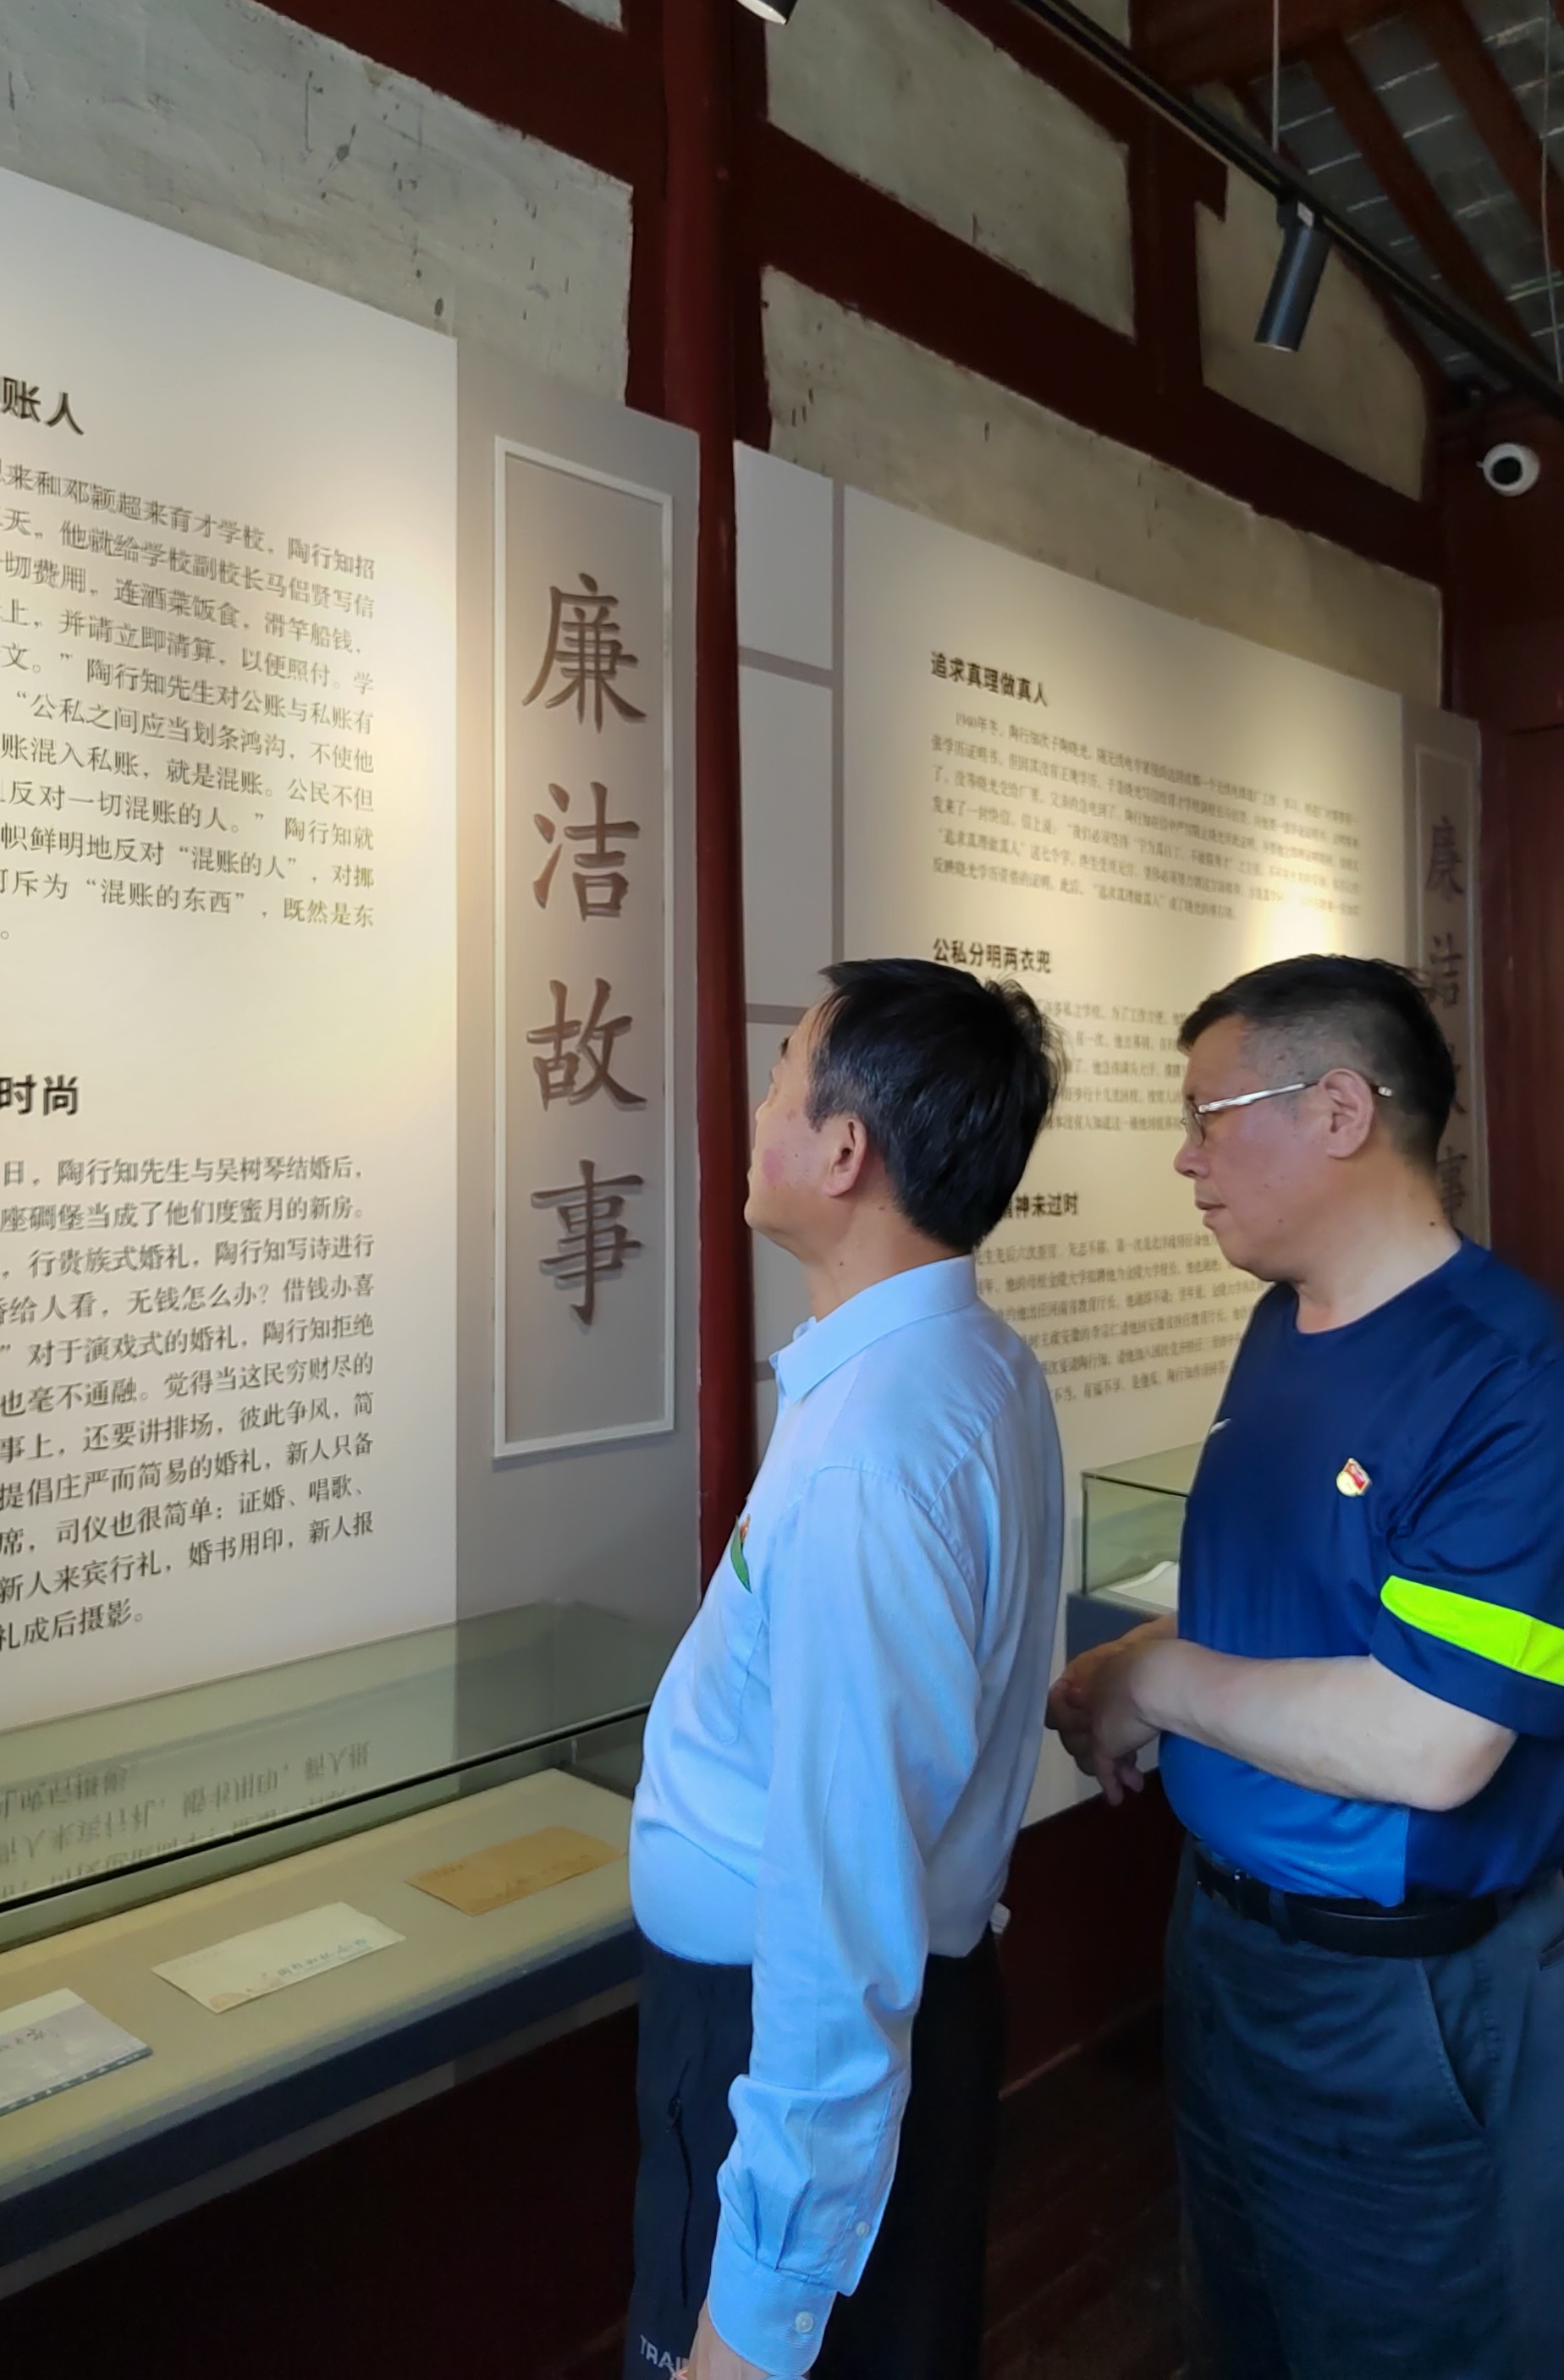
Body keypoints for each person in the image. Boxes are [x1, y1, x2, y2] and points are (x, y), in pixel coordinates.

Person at [1052, 954, 1564, 2376]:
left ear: (1339, 1110)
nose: (1185, 1156)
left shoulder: (1509, 1376)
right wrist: (1141, 1661)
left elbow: (1432, 1739)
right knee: (1246, 2322)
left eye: (1208, 1116)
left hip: (1399, 2001)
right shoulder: (1282, 1324)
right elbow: (1293, 1620)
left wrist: (1151, 1683)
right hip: (1224, 1945)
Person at [625, 959, 1064, 2380]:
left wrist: (755, 2316)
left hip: (783, 2037)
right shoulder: (966, 1365)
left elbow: (837, 1919)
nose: (757, 1114)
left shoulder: (871, 1456)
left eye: (779, 1083)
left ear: (843, 1151)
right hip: (889, 2012)